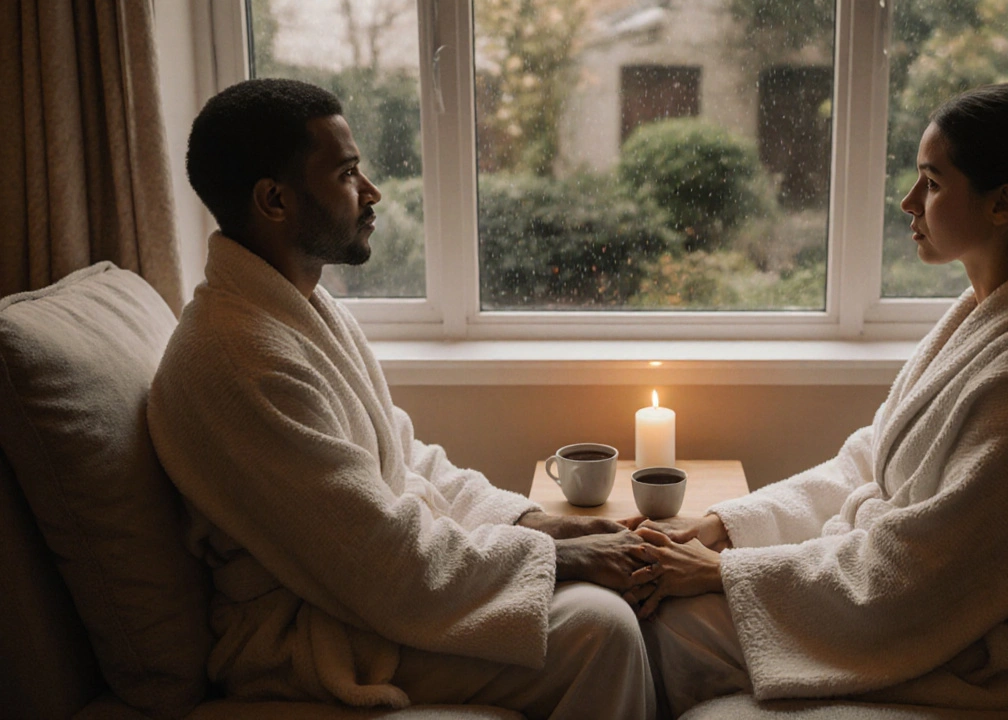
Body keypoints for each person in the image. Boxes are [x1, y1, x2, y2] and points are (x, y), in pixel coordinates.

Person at [147, 78, 655, 720]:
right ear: (274, 200)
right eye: (347, 173)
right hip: (309, 634)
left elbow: (410, 461)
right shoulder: (237, 359)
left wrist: (540, 524)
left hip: (363, 593)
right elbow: (375, 561)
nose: (372, 192)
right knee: (599, 632)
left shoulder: (300, 308)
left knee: (621, 605)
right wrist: (555, 556)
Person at [623, 83, 1008, 715]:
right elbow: (868, 460)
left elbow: (928, 576)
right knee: (634, 604)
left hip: (957, 650)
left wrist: (724, 573)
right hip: (884, 596)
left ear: (1003, 204)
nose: (908, 201)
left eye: (933, 183)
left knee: (641, 632)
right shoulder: (987, 318)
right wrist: (726, 528)